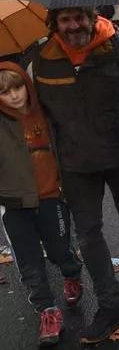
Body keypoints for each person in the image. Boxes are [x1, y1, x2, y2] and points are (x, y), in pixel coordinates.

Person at [31, 7, 119, 345]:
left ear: (93, 18)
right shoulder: (42, 59)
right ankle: (111, 304)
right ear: (54, 24)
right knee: (88, 233)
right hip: (75, 162)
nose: (74, 26)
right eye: (65, 20)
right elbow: (36, 110)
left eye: (80, 18)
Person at [0, 62, 83, 347]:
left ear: (27, 84)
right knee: (29, 262)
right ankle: (47, 310)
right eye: (4, 92)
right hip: (13, 204)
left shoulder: (46, 112)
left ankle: (72, 273)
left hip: (50, 196)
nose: (13, 96)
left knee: (59, 250)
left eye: (17, 87)